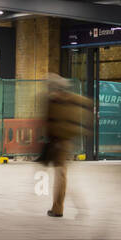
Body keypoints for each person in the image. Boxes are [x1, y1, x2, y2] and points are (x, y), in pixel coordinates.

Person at [44, 75, 93, 219]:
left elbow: (52, 123)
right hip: (63, 142)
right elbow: (88, 103)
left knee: (61, 175)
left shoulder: (57, 101)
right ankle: (59, 207)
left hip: (60, 143)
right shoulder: (71, 99)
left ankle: (61, 208)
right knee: (62, 175)